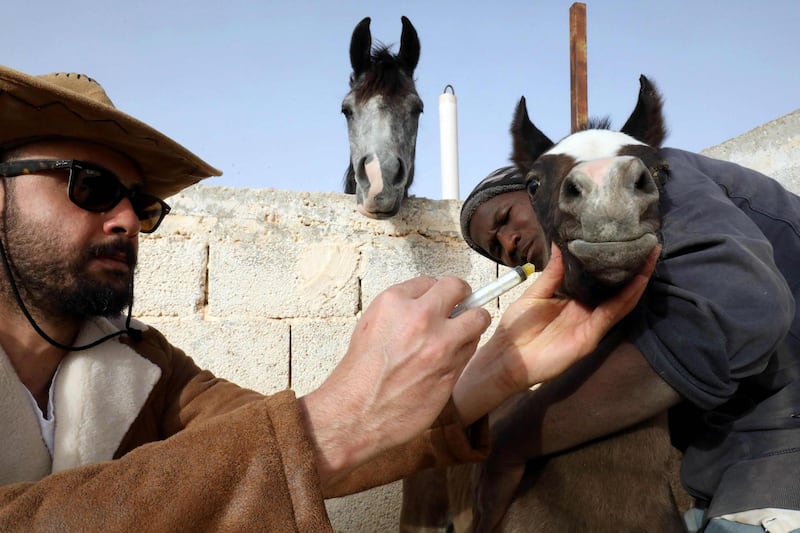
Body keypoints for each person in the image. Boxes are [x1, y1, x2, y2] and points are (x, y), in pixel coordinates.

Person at [0, 65, 655, 531]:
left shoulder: (150, 368)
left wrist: (494, 372)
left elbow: (287, 450)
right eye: (88, 186)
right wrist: (339, 415)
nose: (122, 219)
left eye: (138, 202)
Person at [460, 162, 800, 532]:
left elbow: (740, 309)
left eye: (507, 218)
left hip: (778, 465)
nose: (509, 243)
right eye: (496, 248)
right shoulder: (601, 280)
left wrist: (509, 447)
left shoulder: (650, 178)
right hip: (722, 478)